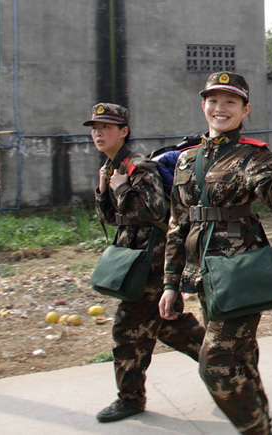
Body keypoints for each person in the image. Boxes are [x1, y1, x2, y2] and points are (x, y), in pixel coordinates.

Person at [159, 71, 272, 435]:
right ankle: (260, 416)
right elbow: (177, 224)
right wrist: (171, 283)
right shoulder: (186, 160)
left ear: (245, 110)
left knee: (215, 363)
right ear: (203, 106)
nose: (220, 108)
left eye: (230, 102)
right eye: (213, 100)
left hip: (240, 270)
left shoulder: (252, 155)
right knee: (240, 357)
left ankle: (256, 429)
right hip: (205, 274)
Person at [86, 103, 206, 423]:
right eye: (95, 128)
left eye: (106, 127)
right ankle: (224, 364)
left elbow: (155, 211)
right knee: (169, 325)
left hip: (152, 262)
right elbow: (113, 218)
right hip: (135, 258)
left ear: (123, 131)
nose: (98, 133)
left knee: (127, 331)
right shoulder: (111, 169)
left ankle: (130, 399)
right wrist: (104, 189)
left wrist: (122, 187)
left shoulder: (139, 167)